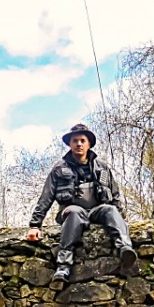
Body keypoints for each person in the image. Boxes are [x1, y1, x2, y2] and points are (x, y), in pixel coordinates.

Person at [26, 123, 139, 287]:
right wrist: (35, 225)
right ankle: (63, 266)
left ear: (89, 144)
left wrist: (122, 218)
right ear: (70, 144)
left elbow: (114, 195)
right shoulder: (59, 168)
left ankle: (125, 249)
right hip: (72, 210)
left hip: (97, 210)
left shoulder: (102, 167)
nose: (79, 144)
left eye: (82, 140)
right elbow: (46, 197)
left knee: (110, 209)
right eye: (75, 141)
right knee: (74, 212)